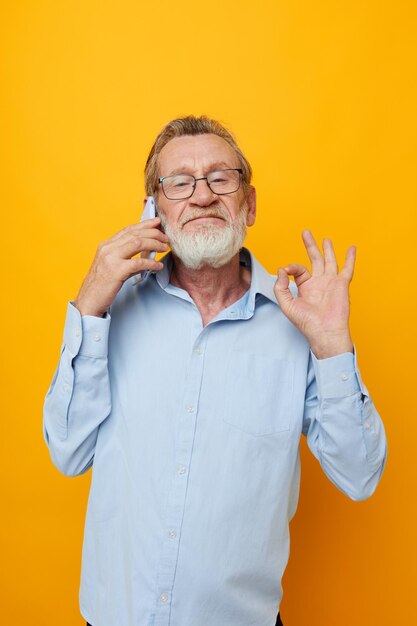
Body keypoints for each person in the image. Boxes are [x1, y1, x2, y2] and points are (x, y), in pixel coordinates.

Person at [43, 115, 387, 626]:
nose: (201, 196)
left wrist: (333, 345)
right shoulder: (111, 314)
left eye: (220, 179)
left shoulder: (300, 325)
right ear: (153, 209)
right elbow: (68, 453)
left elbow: (360, 476)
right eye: (179, 183)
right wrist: (89, 309)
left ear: (248, 203)